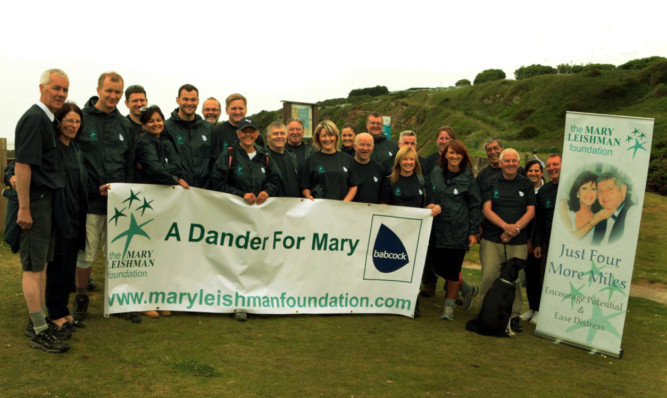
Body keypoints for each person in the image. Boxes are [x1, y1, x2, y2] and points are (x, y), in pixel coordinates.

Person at [15, 68, 69, 352]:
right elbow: (22, 165)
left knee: (43, 265)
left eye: (65, 90)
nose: (60, 94)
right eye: (56, 88)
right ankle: (38, 329)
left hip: (47, 201)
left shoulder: (48, 120)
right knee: (33, 267)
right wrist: (24, 207)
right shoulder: (35, 119)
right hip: (35, 202)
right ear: (42, 88)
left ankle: (40, 320)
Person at [75, 71, 135, 323]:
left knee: (118, 255)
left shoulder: (126, 125)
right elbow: (73, 160)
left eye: (118, 92)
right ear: (98, 89)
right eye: (109, 91)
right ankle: (80, 298)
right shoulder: (80, 119)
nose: (113, 96)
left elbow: (130, 165)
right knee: (85, 255)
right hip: (89, 202)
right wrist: (90, 189)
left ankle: (118, 301)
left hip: (119, 205)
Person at [211, 117, 280, 322]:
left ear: (257, 134)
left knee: (257, 260)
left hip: (259, 219)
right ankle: (237, 303)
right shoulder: (229, 155)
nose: (248, 135)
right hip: (234, 218)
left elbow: (275, 180)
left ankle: (257, 301)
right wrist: (240, 194)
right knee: (235, 260)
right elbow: (216, 182)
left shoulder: (265, 156)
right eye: (244, 131)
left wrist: (267, 191)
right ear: (238, 134)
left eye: (252, 131)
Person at [134, 105, 188, 318]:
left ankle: (158, 298)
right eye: (151, 121)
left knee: (161, 252)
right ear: (143, 124)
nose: (156, 124)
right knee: (146, 252)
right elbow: (154, 169)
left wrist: (171, 173)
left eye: (159, 120)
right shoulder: (142, 142)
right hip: (147, 201)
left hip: (165, 203)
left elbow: (177, 164)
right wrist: (173, 178)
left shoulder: (166, 141)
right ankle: (142, 300)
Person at [479, 148, 535, 333]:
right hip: (492, 238)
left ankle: (514, 316)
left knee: (515, 280)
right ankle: (485, 312)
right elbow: (487, 210)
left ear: (518, 163)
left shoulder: (526, 184)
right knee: (489, 276)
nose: (511, 164)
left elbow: (531, 211)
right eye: (507, 161)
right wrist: (505, 226)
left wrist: (515, 229)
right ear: (501, 163)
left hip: (517, 240)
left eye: (514, 161)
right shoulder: (491, 181)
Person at [45, 103, 88, 336]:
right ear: (59, 121)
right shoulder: (50, 148)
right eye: (70, 121)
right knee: (57, 267)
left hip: (75, 215)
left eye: (77, 122)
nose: (73, 125)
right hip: (57, 216)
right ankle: (54, 314)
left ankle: (64, 311)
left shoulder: (77, 149)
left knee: (68, 267)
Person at [426, 140, 482, 320]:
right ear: (445, 155)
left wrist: (473, 232)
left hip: (458, 232)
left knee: (453, 270)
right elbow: (428, 197)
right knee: (438, 267)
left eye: (458, 154)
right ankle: (467, 288)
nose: (454, 156)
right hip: (437, 231)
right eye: (451, 153)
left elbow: (475, 206)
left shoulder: (468, 179)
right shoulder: (435, 174)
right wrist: (430, 205)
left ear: (463, 156)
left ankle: (448, 308)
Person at [420, 126, 456, 297]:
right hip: (431, 212)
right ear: (436, 141)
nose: (443, 141)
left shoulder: (458, 161)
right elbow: (424, 184)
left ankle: (453, 287)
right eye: (441, 138)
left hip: (451, 215)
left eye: (447, 138)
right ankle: (429, 282)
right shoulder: (429, 161)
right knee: (428, 250)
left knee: (450, 254)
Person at [528, 154, 561, 325]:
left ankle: (549, 311)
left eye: (555, 164)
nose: (552, 168)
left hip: (565, 244)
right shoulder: (545, 191)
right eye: (549, 165)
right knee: (538, 276)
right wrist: (538, 243)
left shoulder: (570, 188)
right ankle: (535, 308)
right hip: (547, 242)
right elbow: (539, 220)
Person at [164, 84, 213, 189]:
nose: (189, 103)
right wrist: (174, 178)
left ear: (198, 101)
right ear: (178, 100)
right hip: (177, 190)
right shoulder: (166, 127)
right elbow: (162, 160)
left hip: (205, 191)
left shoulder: (208, 128)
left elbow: (214, 160)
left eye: (193, 100)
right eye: (185, 99)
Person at [301, 120, 358, 201]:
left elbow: (353, 186)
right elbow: (305, 187)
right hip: (319, 209)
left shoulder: (346, 158)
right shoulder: (311, 159)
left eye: (331, 135)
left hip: (341, 209)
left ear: (336, 137)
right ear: (318, 138)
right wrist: (309, 197)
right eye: (324, 135)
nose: (327, 139)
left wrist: (345, 203)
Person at [520, 159, 545, 324]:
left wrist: (536, 242)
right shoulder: (524, 189)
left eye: (536, 171)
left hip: (540, 241)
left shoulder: (547, 191)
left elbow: (541, 220)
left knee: (539, 276)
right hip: (525, 238)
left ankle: (539, 310)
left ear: (542, 173)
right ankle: (531, 308)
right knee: (529, 274)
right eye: (530, 171)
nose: (533, 174)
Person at [212, 93, 263, 158]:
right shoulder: (217, 132)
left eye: (241, 108)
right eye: (234, 108)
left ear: (246, 110)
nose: (237, 112)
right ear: (227, 110)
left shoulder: (255, 136)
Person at [592, 171, 637, 245]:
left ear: (623, 190)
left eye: (609, 189)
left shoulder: (632, 212)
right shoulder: (599, 216)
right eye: (600, 191)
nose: (604, 195)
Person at [561, 171, 606, 243]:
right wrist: (593, 222)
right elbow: (568, 240)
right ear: (577, 192)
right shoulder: (564, 208)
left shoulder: (600, 219)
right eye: (584, 188)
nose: (589, 193)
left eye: (593, 189)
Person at [265, 121, 301, 197]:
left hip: (293, 205)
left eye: (282, 133)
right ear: (268, 138)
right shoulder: (263, 157)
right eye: (275, 134)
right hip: (272, 206)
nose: (279, 136)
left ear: (287, 136)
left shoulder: (292, 157)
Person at [352, 133, 385, 204]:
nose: (365, 148)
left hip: (372, 213)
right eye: (362, 144)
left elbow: (383, 197)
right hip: (350, 212)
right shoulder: (348, 167)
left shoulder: (379, 169)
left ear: (373, 147)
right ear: (355, 146)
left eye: (368, 145)